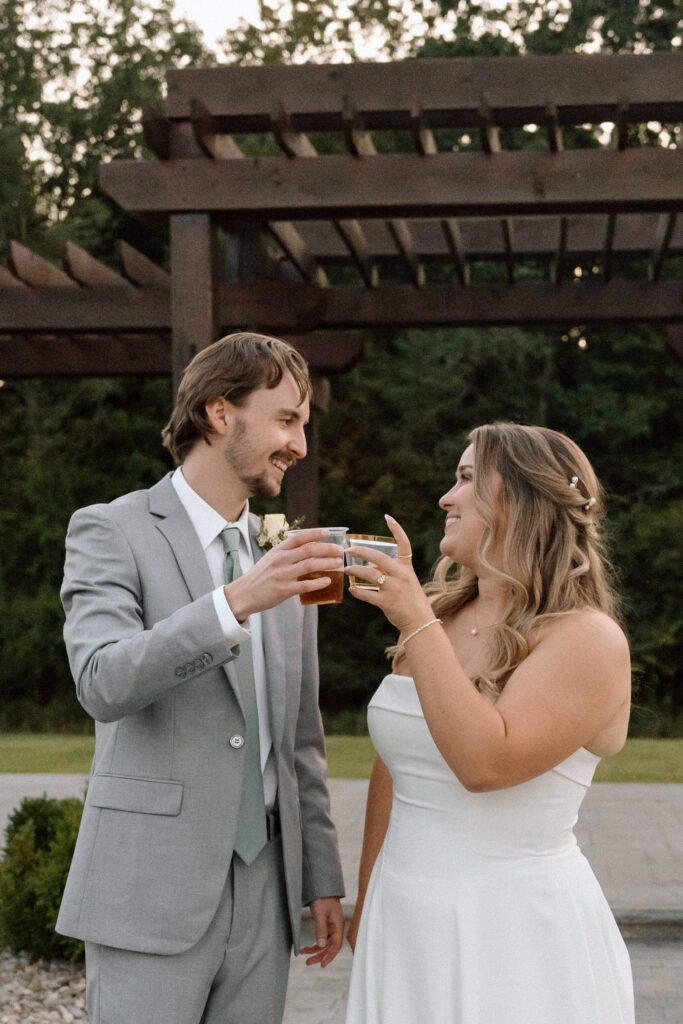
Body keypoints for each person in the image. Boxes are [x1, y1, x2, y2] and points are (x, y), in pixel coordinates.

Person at [56, 331, 345, 1024]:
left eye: (302, 425)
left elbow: (299, 735)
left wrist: (321, 878)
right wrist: (233, 602)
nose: (299, 446)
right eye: (285, 420)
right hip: (149, 888)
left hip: (266, 894)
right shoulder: (110, 529)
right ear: (220, 414)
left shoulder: (285, 549)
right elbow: (101, 681)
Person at [344, 422, 634, 1024]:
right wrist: (368, 901)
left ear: (521, 501)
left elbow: (484, 763)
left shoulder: (586, 639)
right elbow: (396, 762)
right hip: (404, 922)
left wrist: (414, 621)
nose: (447, 497)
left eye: (468, 478)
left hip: (514, 934)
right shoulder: (445, 616)